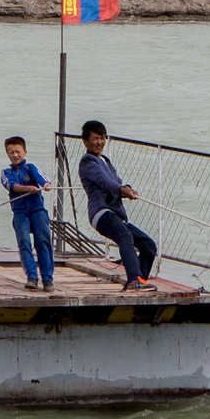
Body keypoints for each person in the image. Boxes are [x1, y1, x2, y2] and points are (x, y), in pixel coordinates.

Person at [76, 120, 158, 291]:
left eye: (103, 138)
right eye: (95, 138)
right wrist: (122, 190)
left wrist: (126, 188)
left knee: (148, 245)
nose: (100, 142)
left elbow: (116, 181)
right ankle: (134, 280)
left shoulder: (105, 160)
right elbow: (105, 182)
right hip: (101, 213)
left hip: (116, 215)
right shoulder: (87, 163)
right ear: (85, 141)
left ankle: (140, 280)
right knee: (125, 237)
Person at [0, 135, 55, 291]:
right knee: (24, 243)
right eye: (11, 152)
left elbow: (41, 178)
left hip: (37, 211)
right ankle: (31, 277)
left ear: (24, 152)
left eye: (18, 151)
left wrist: (45, 184)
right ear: (7, 155)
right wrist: (28, 189)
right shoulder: (5, 172)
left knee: (43, 242)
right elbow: (12, 186)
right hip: (20, 213)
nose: (15, 155)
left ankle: (47, 278)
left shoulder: (31, 167)